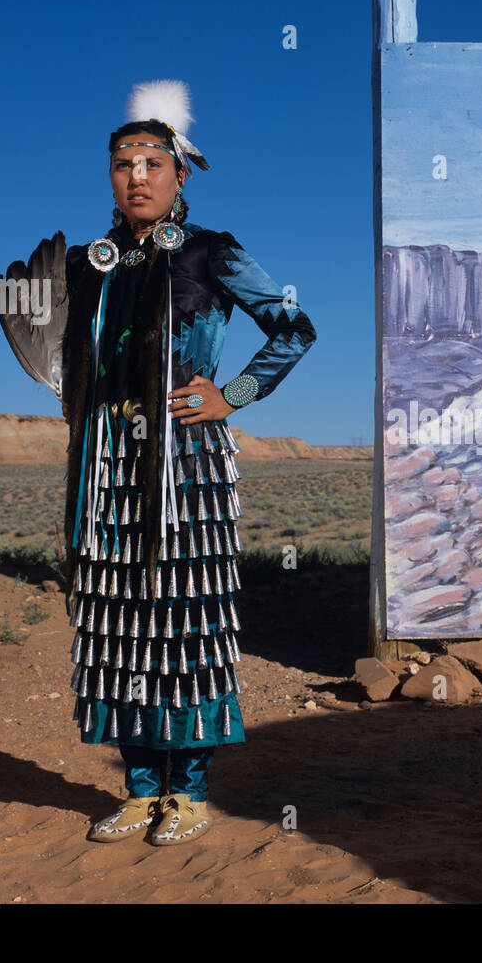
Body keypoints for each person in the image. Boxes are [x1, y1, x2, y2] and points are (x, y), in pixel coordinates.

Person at [58, 80, 316, 845]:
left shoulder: (212, 253)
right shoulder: (88, 264)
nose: (135, 176)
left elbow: (295, 328)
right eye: (121, 163)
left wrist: (232, 393)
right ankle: (141, 789)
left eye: (150, 162)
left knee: (183, 618)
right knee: (114, 621)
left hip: (188, 466)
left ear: (180, 175)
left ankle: (192, 792)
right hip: (105, 465)